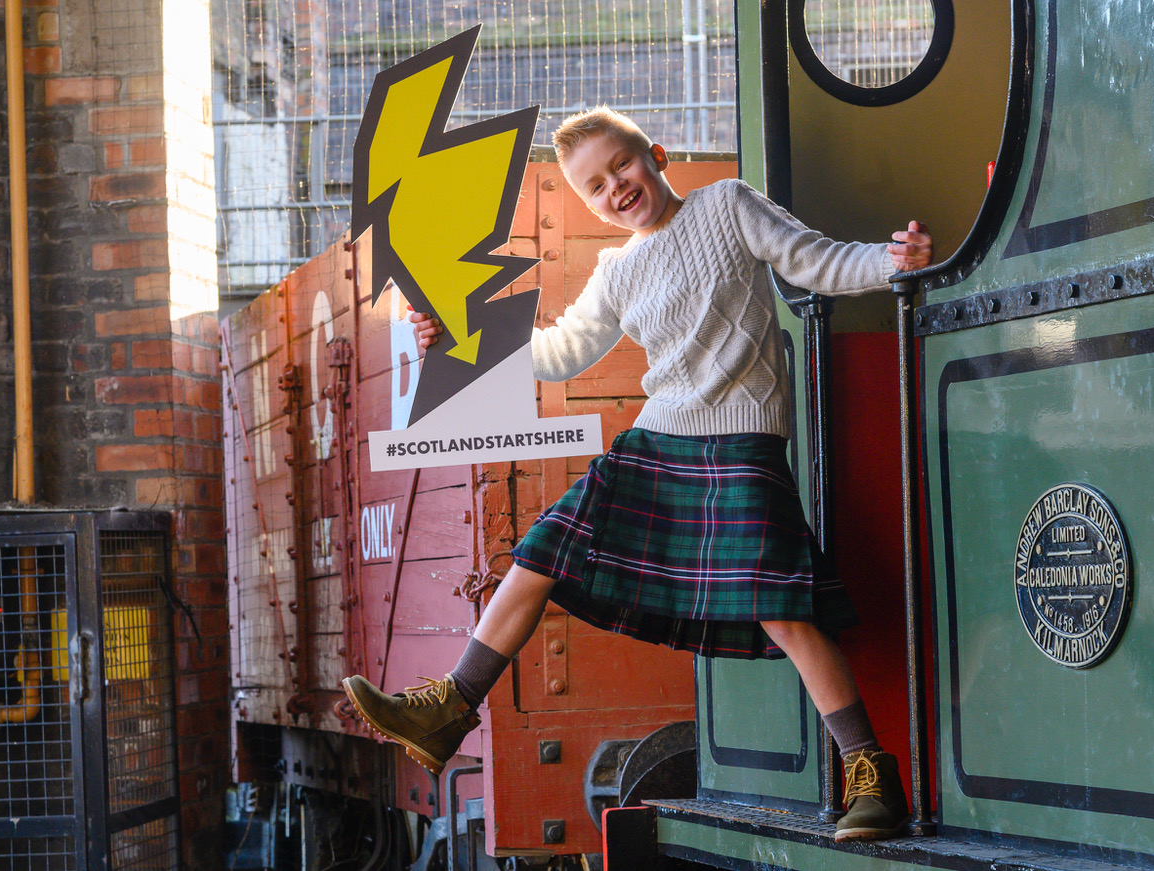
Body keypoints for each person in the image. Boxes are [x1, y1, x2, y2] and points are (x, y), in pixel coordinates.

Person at [342, 106, 932, 842]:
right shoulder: (617, 269)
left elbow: (813, 260)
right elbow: (559, 351)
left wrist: (890, 259)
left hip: (741, 443)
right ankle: (448, 706)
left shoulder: (727, 204)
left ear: (653, 154)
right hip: (656, 444)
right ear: (589, 204)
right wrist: (459, 335)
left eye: (620, 166)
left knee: (786, 609)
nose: (613, 187)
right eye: (594, 187)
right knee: (539, 555)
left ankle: (872, 774)